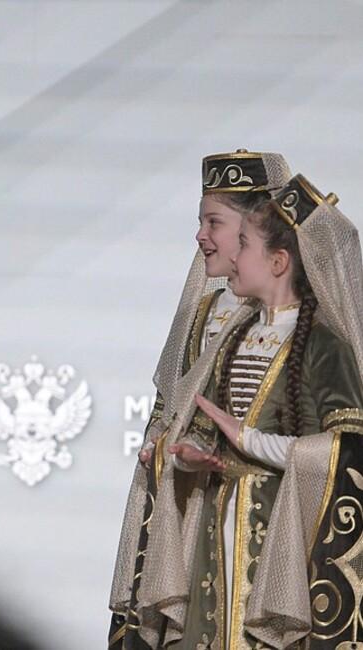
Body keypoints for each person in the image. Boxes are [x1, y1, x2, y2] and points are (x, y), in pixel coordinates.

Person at [137, 174, 362, 648]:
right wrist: (188, 455)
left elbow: (347, 449)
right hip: (216, 524)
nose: (233, 258)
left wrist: (248, 440)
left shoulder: (324, 348)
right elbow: (202, 426)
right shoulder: (230, 339)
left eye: (243, 245)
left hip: (284, 535)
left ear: (279, 262)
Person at [108, 150, 290, 648]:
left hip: (268, 523)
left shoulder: (298, 319)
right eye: (200, 221)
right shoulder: (205, 310)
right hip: (194, 517)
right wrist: (163, 446)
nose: (201, 236)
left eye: (215, 222)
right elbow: (173, 408)